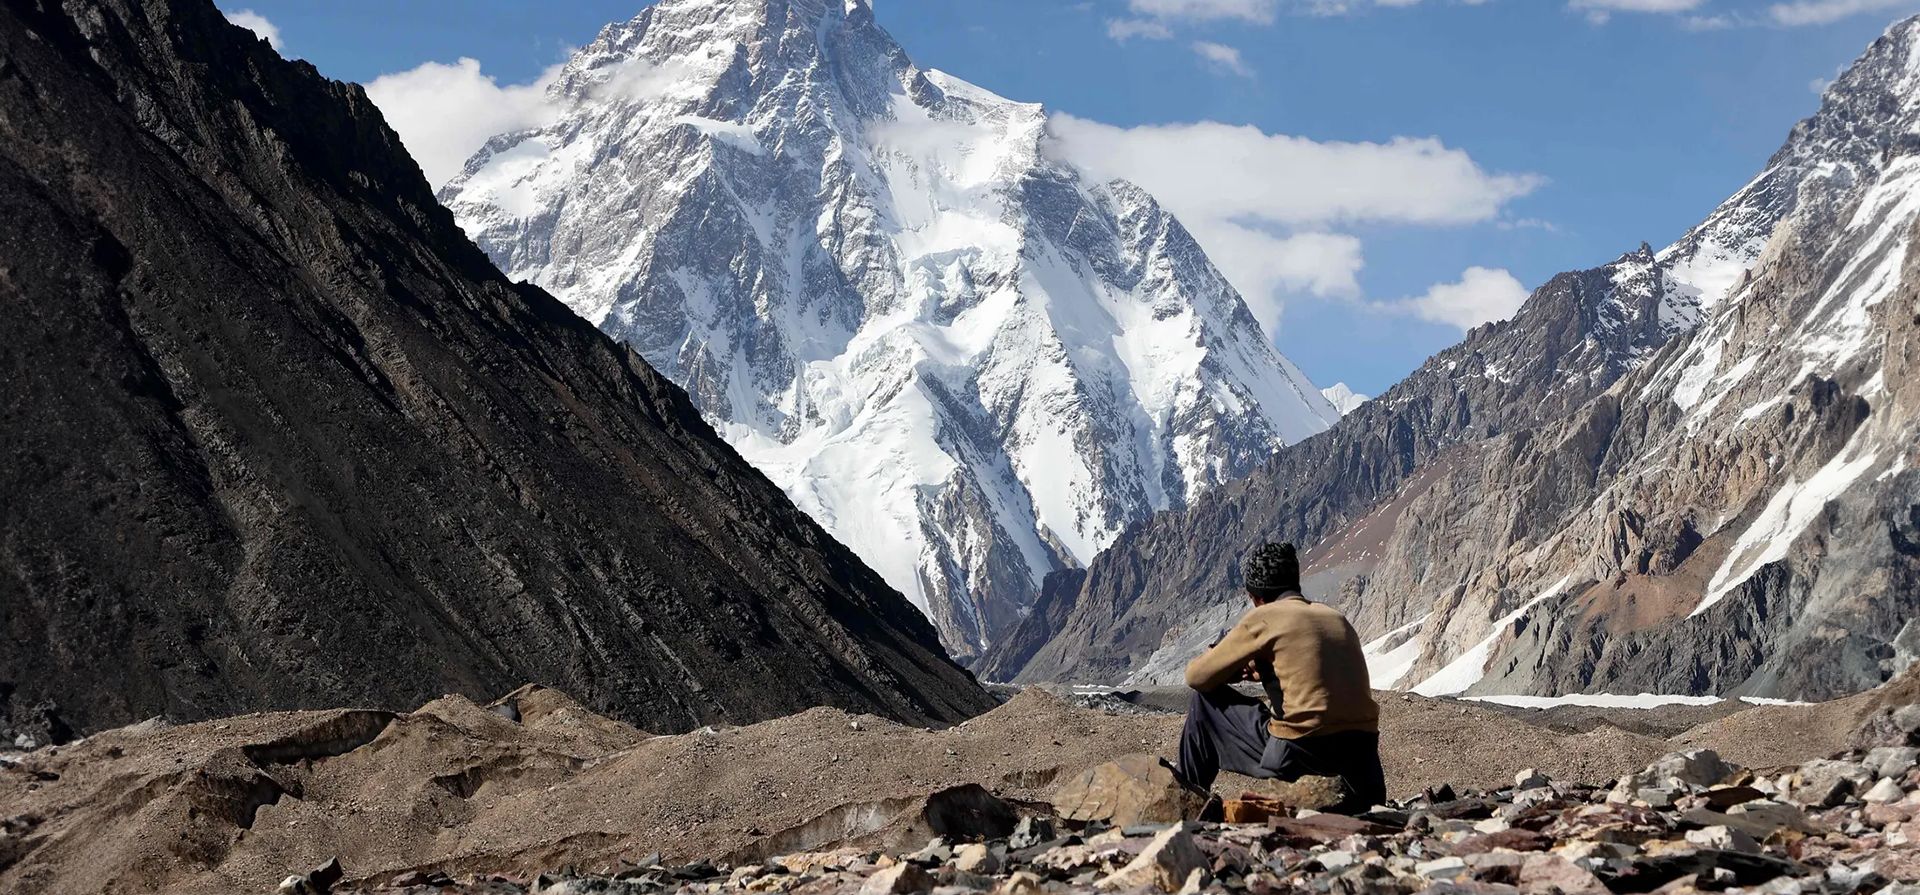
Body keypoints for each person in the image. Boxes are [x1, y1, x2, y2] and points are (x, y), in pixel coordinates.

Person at [1175, 542, 1386, 815]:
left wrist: (1227, 665)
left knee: (1204, 703)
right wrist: (1265, 671)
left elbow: (1196, 676)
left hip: (1301, 754)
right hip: (1364, 764)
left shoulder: (1265, 617)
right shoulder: (1336, 618)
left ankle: (1187, 806)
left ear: (1255, 598)